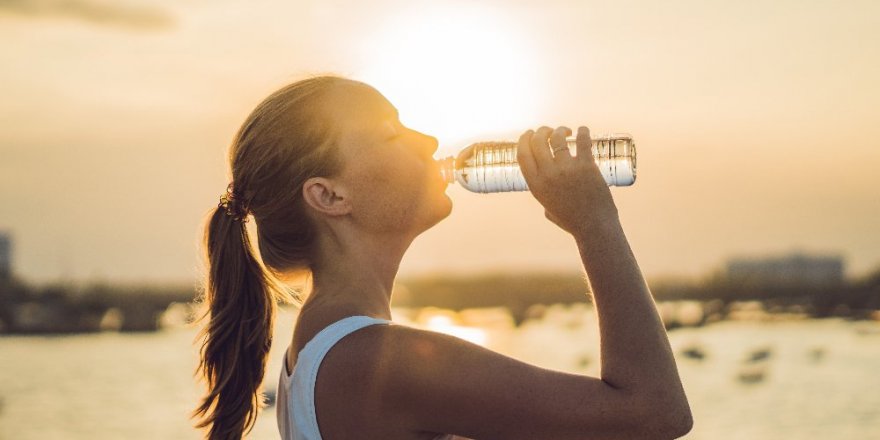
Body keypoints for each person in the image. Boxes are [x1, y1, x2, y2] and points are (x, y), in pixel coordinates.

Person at [194, 75, 693, 440]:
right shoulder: (373, 361)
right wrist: (594, 224)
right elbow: (653, 412)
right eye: (392, 134)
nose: (429, 141)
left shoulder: (321, 352)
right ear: (329, 197)